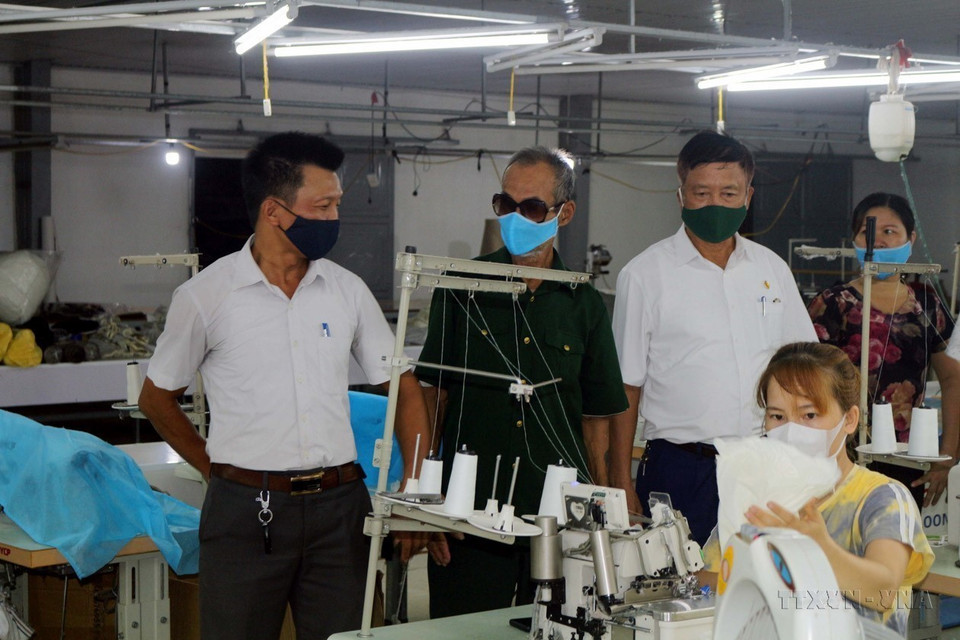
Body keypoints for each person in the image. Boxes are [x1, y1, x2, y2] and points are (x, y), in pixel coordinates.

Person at [138, 131, 430, 640]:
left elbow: (405, 389)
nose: (335, 218)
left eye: (337, 204)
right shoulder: (207, 296)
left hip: (340, 510)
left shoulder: (346, 291)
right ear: (274, 211)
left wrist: (416, 491)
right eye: (324, 205)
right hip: (245, 514)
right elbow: (156, 398)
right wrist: (214, 469)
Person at [415, 146, 629, 618]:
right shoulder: (462, 284)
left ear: (564, 213)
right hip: (467, 517)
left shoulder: (582, 300)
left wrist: (604, 511)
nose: (515, 217)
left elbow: (596, 417)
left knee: (557, 627)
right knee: (463, 630)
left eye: (531, 207)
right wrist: (426, 502)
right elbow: (435, 395)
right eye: (505, 204)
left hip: (556, 519)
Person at [611, 130, 817, 545]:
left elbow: (805, 369)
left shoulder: (771, 270)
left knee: (761, 590)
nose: (715, 204)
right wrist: (620, 480)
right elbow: (624, 387)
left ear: (748, 195)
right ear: (681, 196)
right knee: (674, 590)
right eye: (701, 193)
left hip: (764, 464)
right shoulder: (645, 275)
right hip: (682, 468)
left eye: (729, 193)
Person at [701, 342, 933, 637]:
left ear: (849, 419)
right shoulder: (755, 496)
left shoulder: (882, 498)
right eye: (777, 416)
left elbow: (883, 591)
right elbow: (709, 584)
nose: (791, 429)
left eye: (809, 415)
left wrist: (819, 546)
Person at [807, 192, 958, 506]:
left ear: (910, 239)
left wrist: (947, 457)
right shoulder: (832, 304)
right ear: (855, 240)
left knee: (897, 546)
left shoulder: (928, 305)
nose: (881, 242)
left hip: (907, 459)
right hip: (838, 457)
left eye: (891, 232)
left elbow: (953, 381)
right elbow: (807, 383)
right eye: (869, 232)